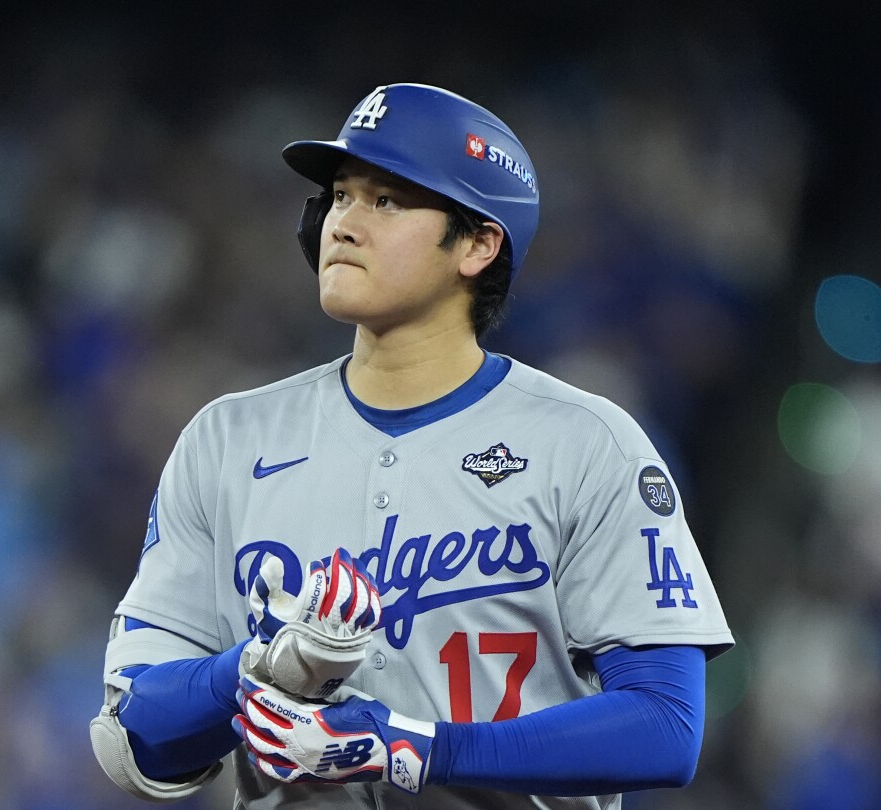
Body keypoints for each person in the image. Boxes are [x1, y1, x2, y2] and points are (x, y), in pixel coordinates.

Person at [89, 83, 734, 810]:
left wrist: (415, 750)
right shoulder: (228, 439)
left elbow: (666, 726)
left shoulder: (586, 445)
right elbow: (132, 734)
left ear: (479, 244)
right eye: (340, 196)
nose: (344, 223)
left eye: (387, 201)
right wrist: (257, 667)